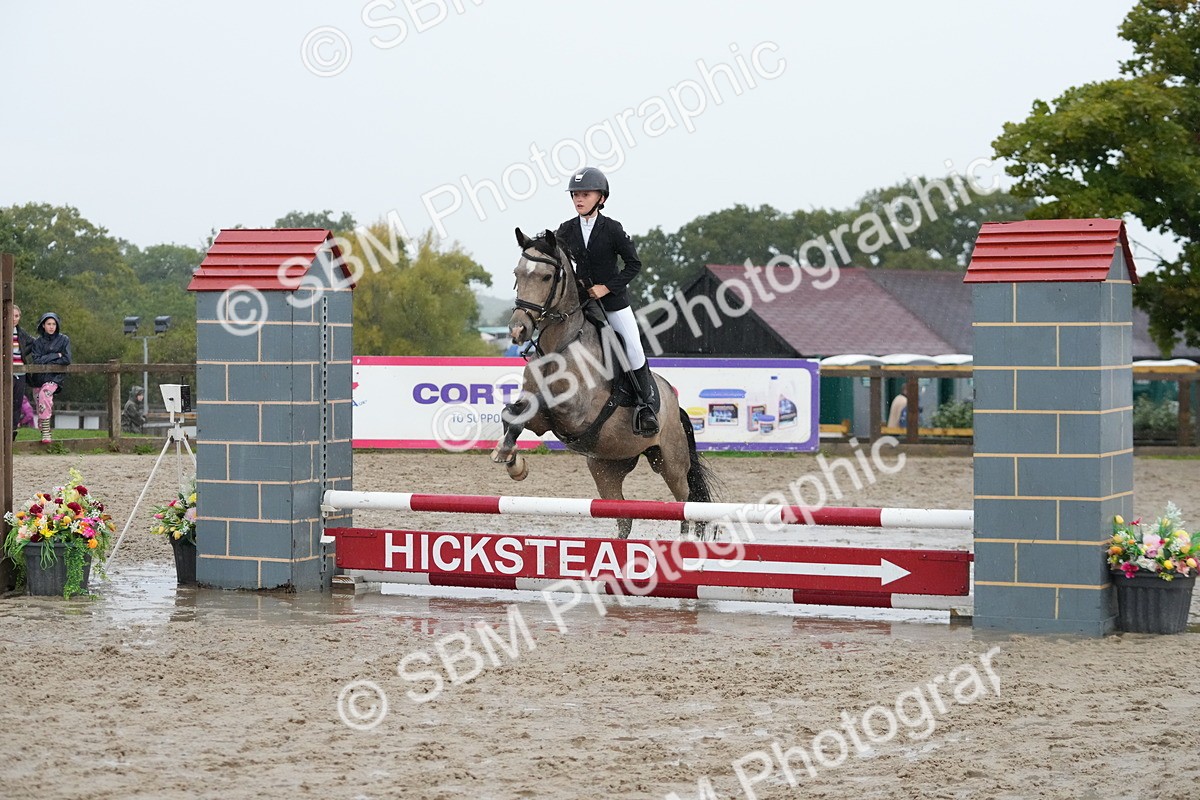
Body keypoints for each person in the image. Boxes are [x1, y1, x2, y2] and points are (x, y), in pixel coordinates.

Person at [555, 167, 659, 436]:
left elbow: (633, 265)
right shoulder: (565, 230)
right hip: (580, 303)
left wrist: (606, 288)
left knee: (633, 347)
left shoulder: (612, 229)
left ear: (601, 198)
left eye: (585, 194)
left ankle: (645, 405)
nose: (579, 199)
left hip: (612, 303)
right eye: (575, 195)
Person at [28, 311, 71, 444]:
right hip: (38, 378)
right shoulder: (38, 342)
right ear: (43, 325)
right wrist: (55, 355)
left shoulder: (64, 340)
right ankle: (43, 429)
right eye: (48, 324)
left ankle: (46, 432)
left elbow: (67, 359)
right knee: (40, 403)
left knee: (44, 395)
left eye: (54, 324)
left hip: (54, 377)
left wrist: (49, 360)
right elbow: (37, 360)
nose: (51, 326)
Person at [9, 304, 34, 441]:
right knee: (6, 401)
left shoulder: (21, 333)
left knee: (17, 403)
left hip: (21, 372)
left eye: (17, 316)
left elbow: (34, 343)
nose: (14, 318)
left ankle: (12, 430)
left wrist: (24, 352)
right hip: (7, 372)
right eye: (12, 315)